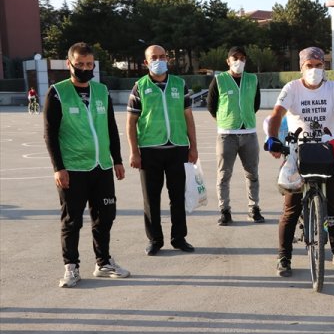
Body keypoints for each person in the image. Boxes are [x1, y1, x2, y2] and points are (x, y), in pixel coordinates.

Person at [266, 46, 334, 276]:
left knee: (332, 209)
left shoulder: (332, 88)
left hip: (328, 150)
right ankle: (284, 257)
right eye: (309, 66)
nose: (314, 70)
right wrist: (272, 139)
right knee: (291, 208)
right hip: (297, 151)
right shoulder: (292, 88)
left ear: (324, 67)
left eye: (318, 65)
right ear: (301, 67)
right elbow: (276, 115)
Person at [43, 42, 129, 287]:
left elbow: (111, 128)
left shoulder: (101, 91)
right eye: (80, 64)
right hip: (73, 168)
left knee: (106, 216)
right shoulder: (57, 92)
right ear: (69, 64)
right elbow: (50, 134)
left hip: (101, 166)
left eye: (89, 64)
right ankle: (71, 266)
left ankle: (103, 263)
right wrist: (58, 167)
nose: (84, 68)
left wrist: (118, 160)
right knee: (72, 220)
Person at [126, 44, 199, 256]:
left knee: (178, 196)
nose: (159, 60)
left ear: (168, 58)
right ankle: (155, 239)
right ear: (146, 62)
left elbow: (188, 117)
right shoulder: (139, 87)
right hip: (150, 150)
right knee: (151, 198)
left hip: (177, 147)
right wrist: (134, 151)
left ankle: (179, 238)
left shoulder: (179, 84)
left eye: (162, 56)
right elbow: (131, 122)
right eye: (154, 57)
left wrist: (193, 146)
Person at [207, 45, 264, 226]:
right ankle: (225, 211)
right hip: (227, 135)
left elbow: (255, 104)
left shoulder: (252, 79)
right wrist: (226, 121)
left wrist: (245, 118)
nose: (239, 61)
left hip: (249, 134)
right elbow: (211, 105)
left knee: (252, 174)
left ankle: (254, 208)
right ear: (228, 61)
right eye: (235, 58)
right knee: (224, 175)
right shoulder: (220, 80)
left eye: (242, 58)